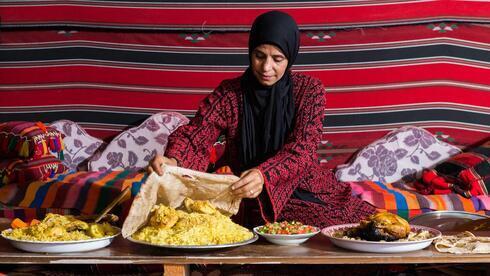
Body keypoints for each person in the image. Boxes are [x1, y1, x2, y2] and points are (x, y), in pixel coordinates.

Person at [148, 10, 375, 228]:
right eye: (259, 56)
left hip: (301, 188)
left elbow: (302, 149)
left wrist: (264, 176)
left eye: (277, 59)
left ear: (291, 56)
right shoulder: (230, 93)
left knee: (356, 228)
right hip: (245, 193)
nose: (267, 68)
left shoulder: (309, 90)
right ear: (250, 52)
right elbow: (196, 134)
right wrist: (174, 160)